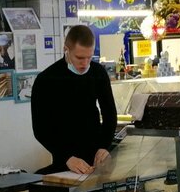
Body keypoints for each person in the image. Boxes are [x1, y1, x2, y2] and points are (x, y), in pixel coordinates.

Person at [30, 24, 117, 176]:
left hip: (96, 157)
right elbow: (40, 129)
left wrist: (104, 146)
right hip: (64, 159)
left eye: (89, 57)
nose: (85, 63)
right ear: (66, 50)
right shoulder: (47, 79)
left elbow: (110, 114)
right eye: (80, 58)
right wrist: (67, 158)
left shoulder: (98, 73)